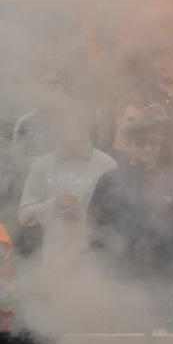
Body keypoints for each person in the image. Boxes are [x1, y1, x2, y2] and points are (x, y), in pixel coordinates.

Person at [88, 112, 173, 322]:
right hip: (122, 277)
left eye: (153, 144)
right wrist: (108, 264)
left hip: (166, 277)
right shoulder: (110, 181)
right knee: (127, 335)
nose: (149, 149)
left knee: (166, 336)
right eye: (141, 144)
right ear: (128, 145)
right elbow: (95, 228)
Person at [17, 104, 116, 259]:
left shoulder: (106, 164)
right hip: (55, 256)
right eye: (69, 131)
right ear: (58, 133)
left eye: (81, 130)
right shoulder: (42, 166)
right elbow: (24, 215)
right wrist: (54, 204)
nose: (76, 137)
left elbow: (119, 215)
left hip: (95, 257)